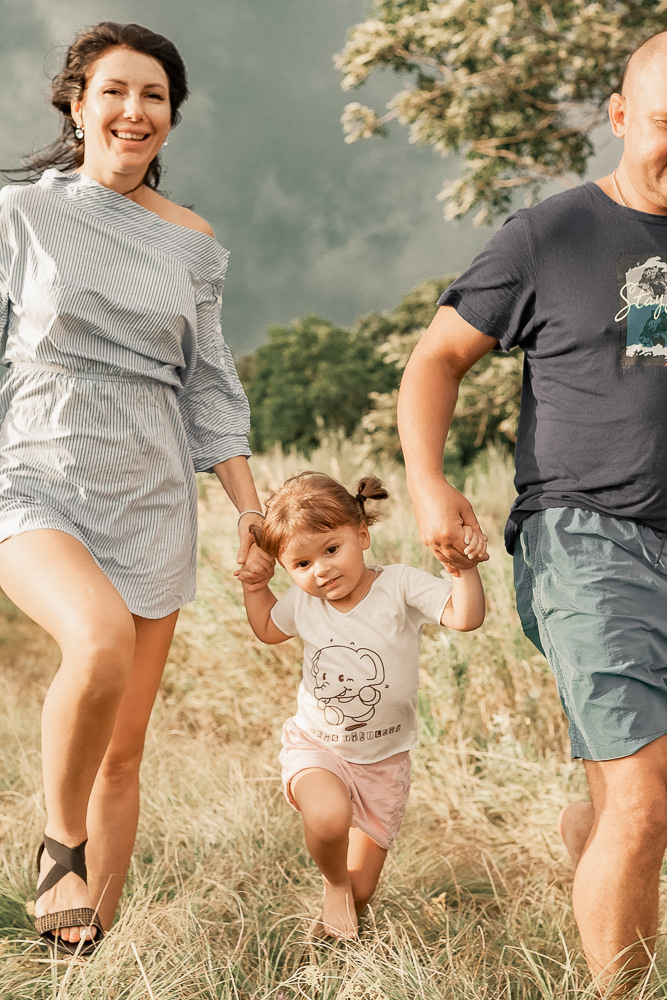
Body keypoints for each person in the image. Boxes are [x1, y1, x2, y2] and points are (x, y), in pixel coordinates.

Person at [396, 30, 667, 994]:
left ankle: (587, 834)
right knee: (644, 796)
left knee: (631, 800)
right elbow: (434, 359)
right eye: (666, 124)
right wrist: (429, 484)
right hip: (585, 535)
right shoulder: (549, 234)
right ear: (622, 117)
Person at [0, 22, 267, 954]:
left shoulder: (190, 241)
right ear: (77, 104)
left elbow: (208, 386)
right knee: (98, 638)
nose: (134, 110)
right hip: (36, 475)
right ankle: (56, 848)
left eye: (153, 96)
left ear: (170, 118)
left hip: (152, 497)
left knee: (123, 752)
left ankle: (85, 956)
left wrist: (249, 507)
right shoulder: (19, 215)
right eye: (114, 91)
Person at [240, 471, 485, 939]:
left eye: (332, 550)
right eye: (302, 563)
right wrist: (255, 588)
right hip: (319, 747)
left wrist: (464, 571)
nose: (322, 570)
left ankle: (329, 951)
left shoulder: (399, 585)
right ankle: (332, 883)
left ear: (362, 534)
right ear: (288, 570)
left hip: (383, 763)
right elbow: (270, 629)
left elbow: (464, 617)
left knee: (362, 892)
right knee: (328, 819)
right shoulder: (304, 602)